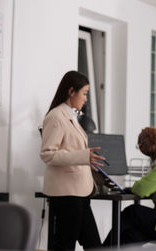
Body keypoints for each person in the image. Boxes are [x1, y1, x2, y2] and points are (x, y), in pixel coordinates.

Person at [40, 70, 105, 250]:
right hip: (66, 193)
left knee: (93, 245)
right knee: (65, 245)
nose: (85, 99)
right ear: (71, 91)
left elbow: (70, 149)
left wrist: (87, 155)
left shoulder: (71, 117)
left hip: (79, 192)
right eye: (84, 93)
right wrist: (84, 156)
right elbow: (47, 154)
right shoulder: (56, 117)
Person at [103, 127, 156, 246]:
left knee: (132, 213)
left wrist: (133, 188)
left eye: (141, 144)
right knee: (131, 236)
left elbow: (142, 189)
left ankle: (102, 249)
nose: (141, 148)